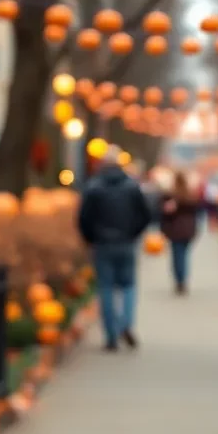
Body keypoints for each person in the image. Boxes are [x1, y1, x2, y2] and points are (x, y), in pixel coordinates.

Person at [78, 145, 152, 350]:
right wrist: (133, 233)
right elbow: (145, 215)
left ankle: (111, 335)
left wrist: (90, 238)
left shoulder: (93, 187)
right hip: (126, 244)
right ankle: (126, 324)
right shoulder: (131, 186)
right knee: (128, 286)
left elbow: (84, 218)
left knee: (106, 288)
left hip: (102, 245)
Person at [159, 171, 200, 295]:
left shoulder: (172, 196)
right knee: (183, 255)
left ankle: (179, 280)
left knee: (177, 256)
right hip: (188, 230)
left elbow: (164, 213)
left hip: (175, 230)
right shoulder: (190, 196)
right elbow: (196, 211)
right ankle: (182, 279)